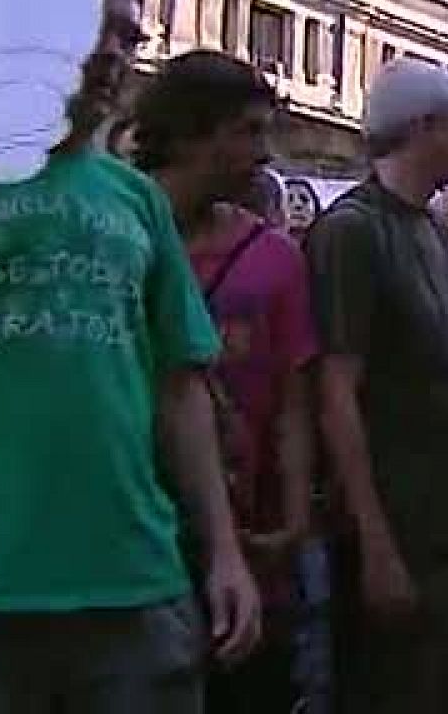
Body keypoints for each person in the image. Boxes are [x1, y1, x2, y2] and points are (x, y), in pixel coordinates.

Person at [0, 0, 261, 709]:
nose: (110, 53)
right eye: (88, 26)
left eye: (129, 39)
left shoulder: (137, 202)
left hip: (135, 584)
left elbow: (181, 388)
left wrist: (225, 552)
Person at [306, 59, 448, 712]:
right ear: (421, 128)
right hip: (401, 530)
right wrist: (375, 543)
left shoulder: (433, 231)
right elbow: (336, 393)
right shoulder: (352, 232)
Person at [134, 51, 320, 712]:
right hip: (134, 540)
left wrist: (294, 515)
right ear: (190, 133)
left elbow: (295, 400)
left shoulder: (276, 259)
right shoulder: (118, 234)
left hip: (252, 542)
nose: (262, 155)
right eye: (246, 132)